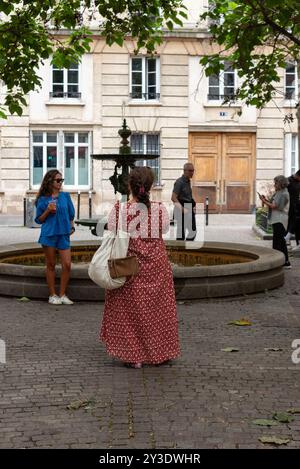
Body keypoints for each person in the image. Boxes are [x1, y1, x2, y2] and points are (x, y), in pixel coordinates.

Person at [100, 166, 180, 368]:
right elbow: (164, 230)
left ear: (130, 185)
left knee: (128, 311)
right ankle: (159, 353)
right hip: (156, 266)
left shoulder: (120, 210)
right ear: (151, 186)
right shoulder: (160, 209)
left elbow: (110, 231)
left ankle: (134, 356)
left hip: (129, 267)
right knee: (158, 310)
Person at [35, 169, 76, 304]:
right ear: (50, 181)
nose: (60, 183)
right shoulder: (43, 199)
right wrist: (48, 210)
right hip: (49, 234)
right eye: (58, 180)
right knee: (51, 264)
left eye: (61, 180)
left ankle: (62, 294)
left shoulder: (65, 196)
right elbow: (39, 220)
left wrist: (72, 226)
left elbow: (71, 214)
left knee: (67, 264)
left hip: (63, 234)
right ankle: (52, 295)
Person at [259, 175, 291, 268]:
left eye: (276, 183)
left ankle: (283, 262)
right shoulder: (279, 192)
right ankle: (283, 261)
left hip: (280, 220)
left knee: (279, 241)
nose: (274, 184)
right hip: (276, 219)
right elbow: (273, 204)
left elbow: (275, 206)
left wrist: (265, 202)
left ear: (280, 183)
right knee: (278, 241)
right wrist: (264, 200)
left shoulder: (284, 193)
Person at [171, 162, 196, 241]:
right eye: (190, 171)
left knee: (192, 231)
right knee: (181, 234)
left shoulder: (188, 181)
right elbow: (173, 198)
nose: (192, 172)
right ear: (185, 171)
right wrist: (183, 210)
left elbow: (187, 196)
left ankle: (186, 250)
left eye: (193, 170)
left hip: (188, 208)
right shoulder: (179, 182)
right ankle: (180, 252)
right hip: (181, 209)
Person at [284, 170, 300, 250]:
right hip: (288, 206)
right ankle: (287, 241)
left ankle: (296, 242)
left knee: (296, 222)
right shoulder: (288, 181)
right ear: (298, 175)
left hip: (297, 206)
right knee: (289, 222)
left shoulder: (298, 182)